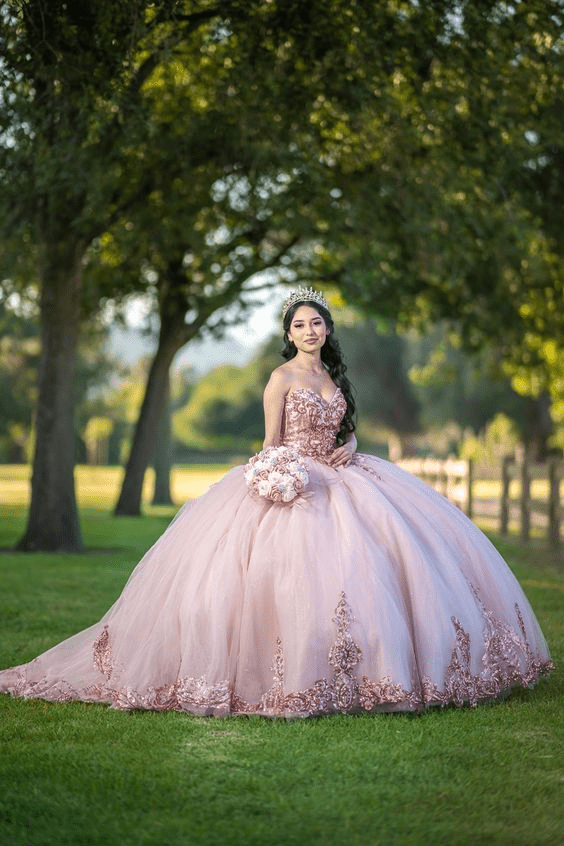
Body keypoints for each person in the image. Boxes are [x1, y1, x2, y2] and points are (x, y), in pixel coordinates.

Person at [0, 288, 552, 717]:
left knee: (380, 564)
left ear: (328, 330)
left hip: (347, 475)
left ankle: (382, 670)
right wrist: (279, 474)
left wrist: (350, 445)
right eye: (300, 325)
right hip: (296, 479)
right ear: (288, 334)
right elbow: (270, 442)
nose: (310, 331)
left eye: (317, 323)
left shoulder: (332, 375)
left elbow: (342, 426)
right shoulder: (280, 377)